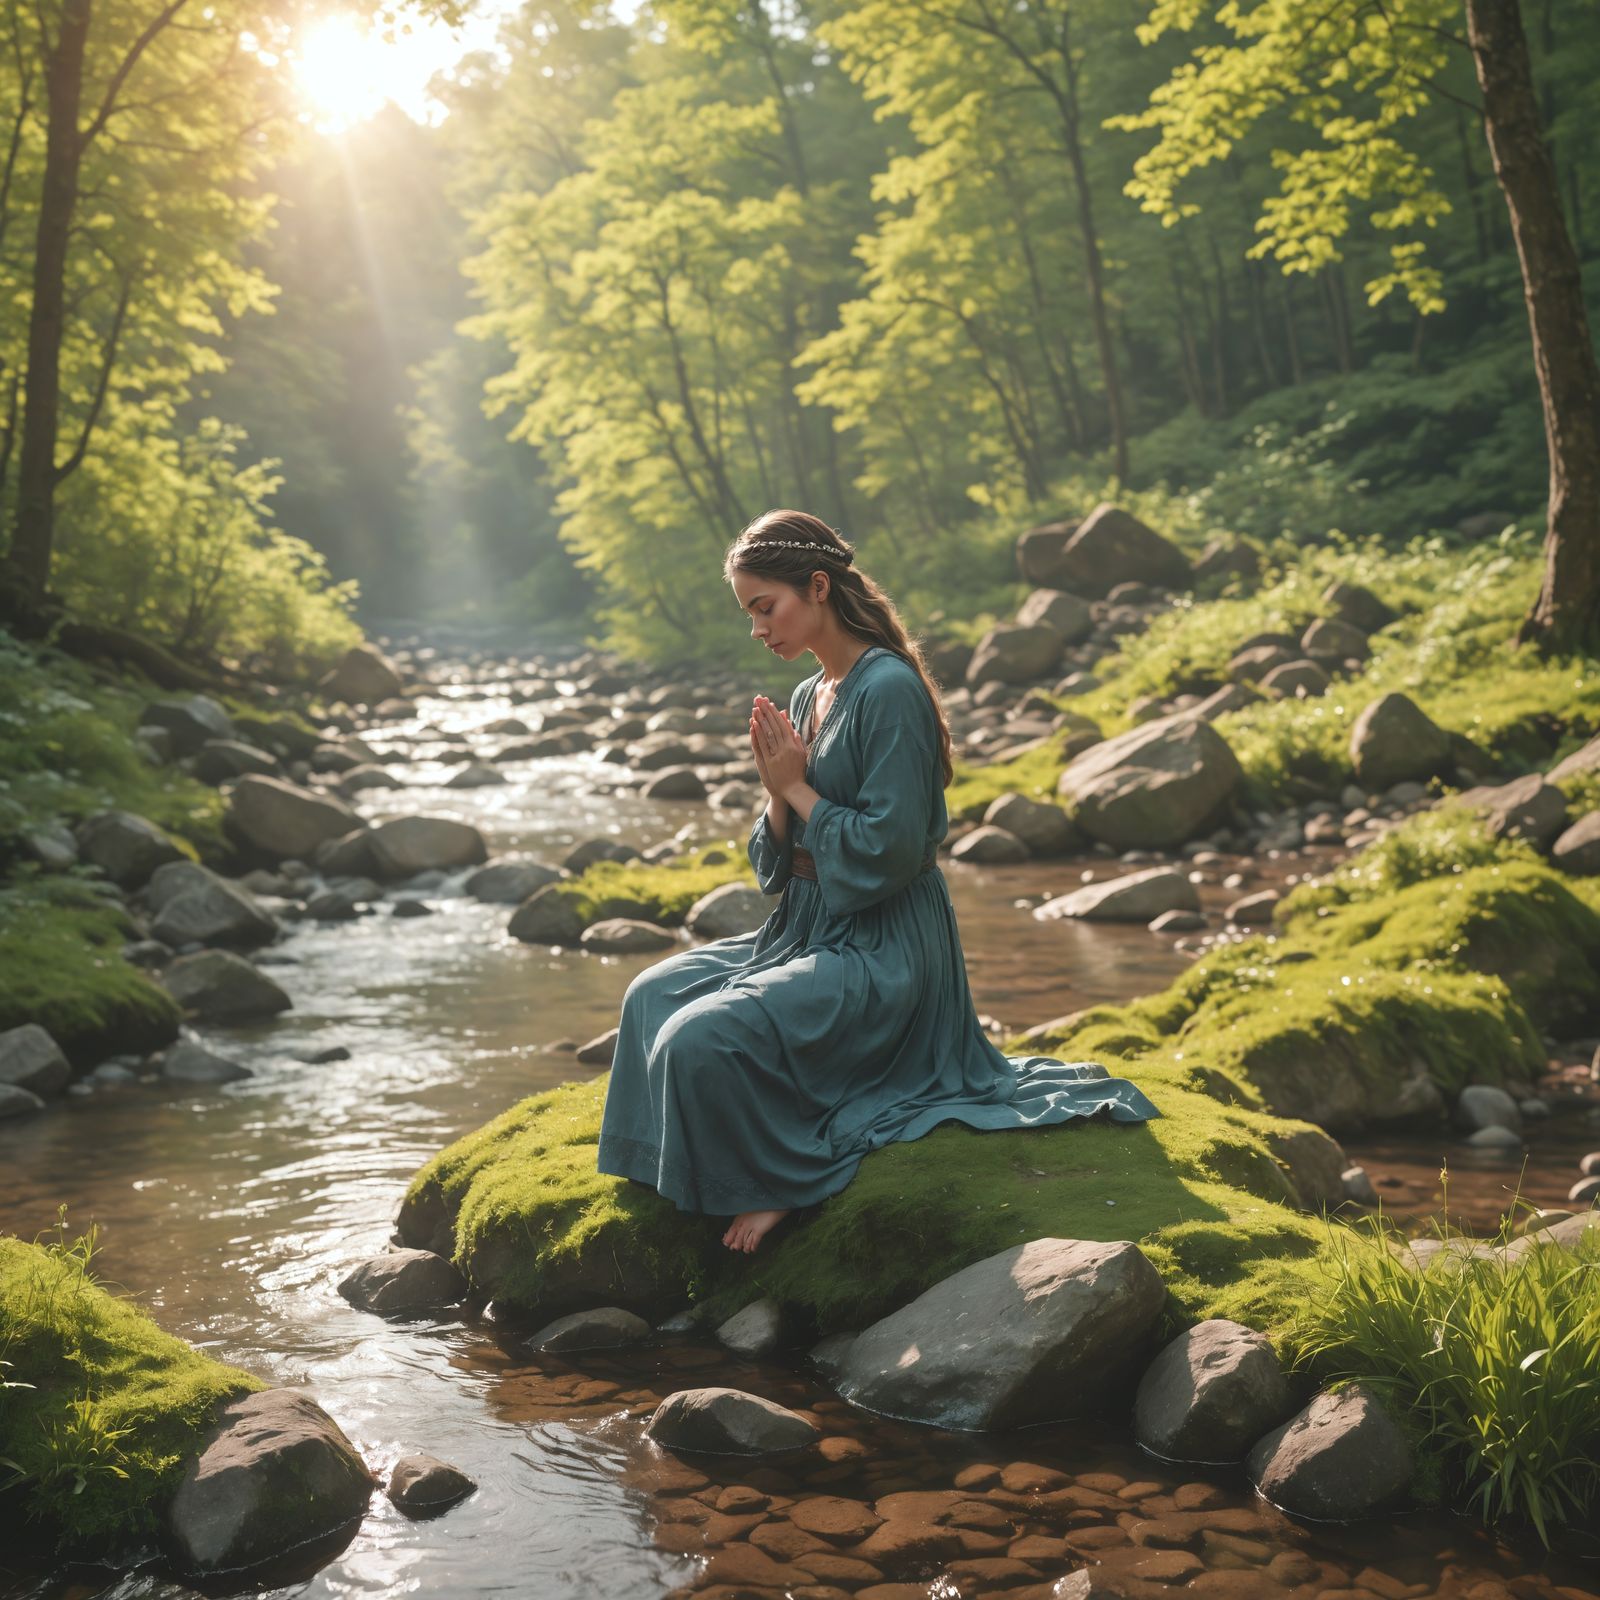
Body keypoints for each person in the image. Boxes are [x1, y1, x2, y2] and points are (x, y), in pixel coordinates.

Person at [594, 509, 1160, 1254]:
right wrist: (775, 789)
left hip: (885, 947)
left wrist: (796, 790)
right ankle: (665, 1171)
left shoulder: (888, 691)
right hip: (803, 929)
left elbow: (890, 854)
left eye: (766, 607)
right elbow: (777, 865)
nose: (758, 628)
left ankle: (777, 1180)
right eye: (749, 614)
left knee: (700, 1042)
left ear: (818, 587)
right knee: (650, 999)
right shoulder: (806, 696)